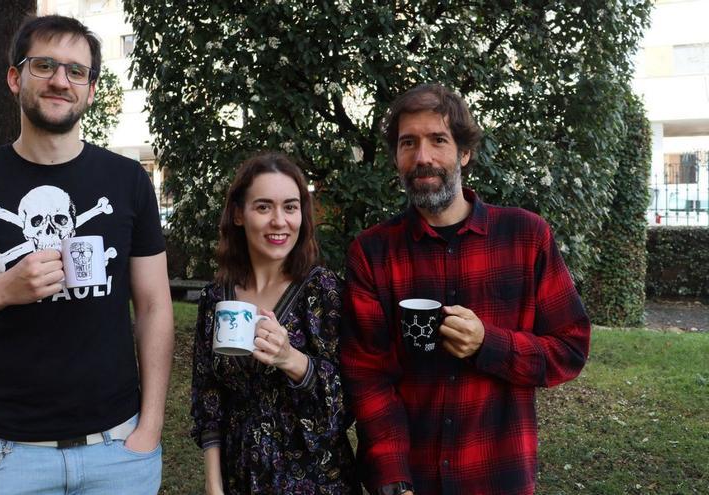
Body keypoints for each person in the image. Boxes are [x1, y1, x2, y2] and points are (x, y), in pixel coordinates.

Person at [0, 15, 173, 494]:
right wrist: (3, 289)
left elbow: (154, 306)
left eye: (76, 71)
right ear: (15, 77)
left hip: (118, 452)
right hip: (4, 457)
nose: (59, 80)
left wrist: (150, 426)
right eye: (44, 65)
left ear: (91, 89)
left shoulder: (128, 181)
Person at [340, 84, 591, 495]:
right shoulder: (373, 252)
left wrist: (487, 344)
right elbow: (368, 376)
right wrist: (392, 477)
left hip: (498, 474)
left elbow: (571, 349)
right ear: (397, 157)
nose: (423, 157)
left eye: (438, 140)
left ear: (465, 152)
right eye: (408, 143)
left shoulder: (525, 238)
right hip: (411, 480)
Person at [190, 152, 358, 494]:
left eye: (290, 207)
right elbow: (207, 394)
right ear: (239, 214)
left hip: (314, 481)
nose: (279, 221)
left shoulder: (322, 290)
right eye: (264, 207)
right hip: (238, 478)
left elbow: (347, 406)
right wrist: (213, 483)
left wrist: (290, 360)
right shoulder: (216, 297)